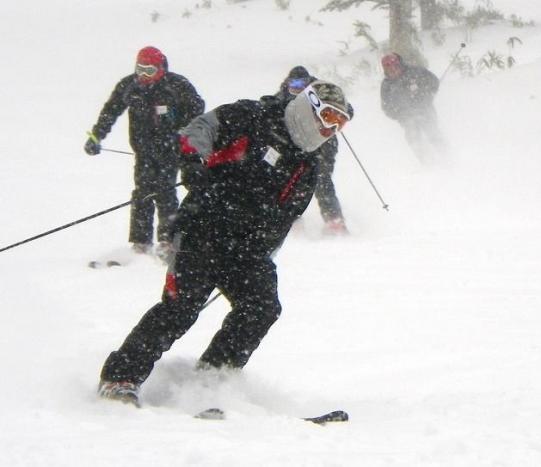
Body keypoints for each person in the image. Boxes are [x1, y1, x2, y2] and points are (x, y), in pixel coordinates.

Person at [97, 80, 353, 406]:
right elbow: (197, 131)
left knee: (261, 307)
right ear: (310, 105)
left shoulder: (307, 164)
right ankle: (120, 377)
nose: (331, 129)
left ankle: (210, 381)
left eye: (340, 123)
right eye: (329, 117)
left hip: (247, 250)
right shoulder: (253, 116)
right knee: (181, 308)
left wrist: (262, 251)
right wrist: (193, 163)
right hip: (202, 228)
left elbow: (284, 218)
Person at [84, 46, 205, 258]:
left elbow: (197, 108)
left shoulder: (176, 85)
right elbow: (110, 111)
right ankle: (140, 242)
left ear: (161, 69)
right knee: (142, 193)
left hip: (170, 150)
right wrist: (96, 136)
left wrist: (183, 134)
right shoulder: (130, 86)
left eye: (149, 71)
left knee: (165, 193)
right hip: (143, 151)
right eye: (140, 69)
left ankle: (168, 240)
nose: (144, 75)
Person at [275, 66, 349, 235]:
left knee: (322, 178)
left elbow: (346, 108)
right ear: (287, 83)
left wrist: (333, 116)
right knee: (295, 178)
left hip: (324, 141)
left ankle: (334, 219)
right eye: (293, 84)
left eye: (301, 84)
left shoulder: (320, 91)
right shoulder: (282, 96)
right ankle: (293, 219)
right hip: (297, 144)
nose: (297, 88)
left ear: (308, 82)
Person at [380, 52, 445, 162]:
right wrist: (399, 114)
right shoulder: (387, 85)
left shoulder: (415, 72)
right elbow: (386, 107)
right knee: (414, 139)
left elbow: (434, 82)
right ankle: (427, 162)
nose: (393, 71)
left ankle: (447, 157)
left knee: (433, 133)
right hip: (406, 118)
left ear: (400, 64)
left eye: (395, 67)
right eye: (389, 69)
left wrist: (426, 97)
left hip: (425, 111)